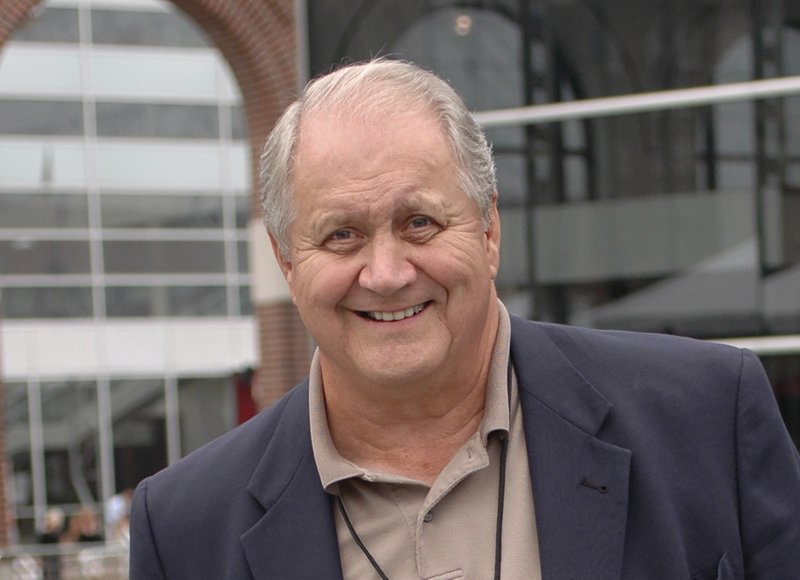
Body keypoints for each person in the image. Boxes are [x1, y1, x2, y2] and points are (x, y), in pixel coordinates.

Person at [130, 59, 800, 579]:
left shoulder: (707, 420)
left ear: (487, 230)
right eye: (341, 236)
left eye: (419, 222)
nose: (386, 272)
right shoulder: (186, 529)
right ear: (285, 259)